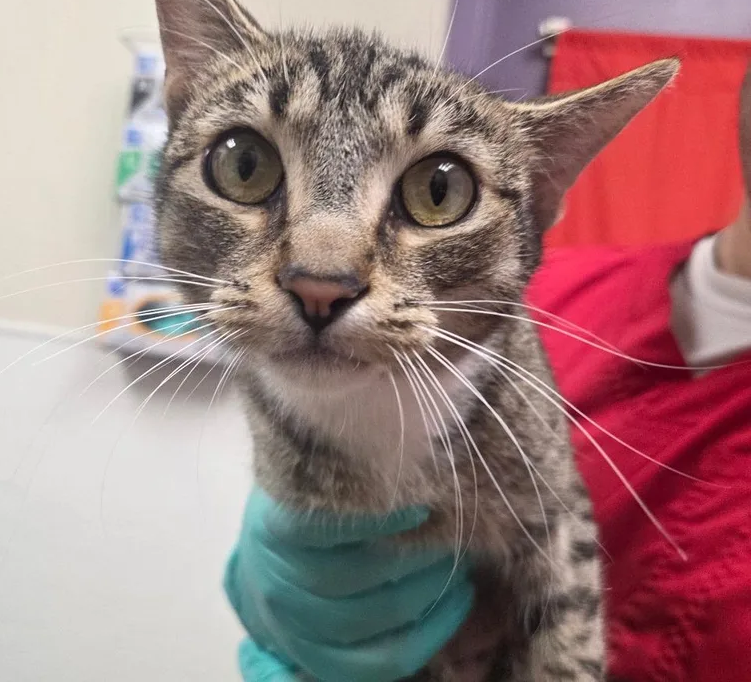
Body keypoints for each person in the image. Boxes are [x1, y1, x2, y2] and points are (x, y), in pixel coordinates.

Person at [224, 69, 751, 682]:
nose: (320, 275)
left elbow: (552, 525)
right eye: (248, 166)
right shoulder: (548, 287)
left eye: (436, 191)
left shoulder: (494, 287)